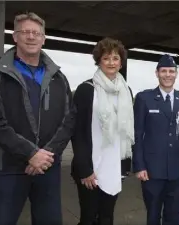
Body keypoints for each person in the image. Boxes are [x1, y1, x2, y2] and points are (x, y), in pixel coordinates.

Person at [0, 12, 75, 225]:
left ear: (43, 38)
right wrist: (30, 153)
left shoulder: (59, 78)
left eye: (36, 33)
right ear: (14, 37)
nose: (31, 37)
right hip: (8, 167)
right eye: (25, 32)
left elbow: (69, 120)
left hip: (48, 167)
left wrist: (45, 155)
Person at [70, 37, 134, 225]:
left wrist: (124, 166)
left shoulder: (126, 90)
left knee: (107, 217)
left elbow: (126, 132)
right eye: (106, 58)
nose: (111, 63)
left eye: (115, 58)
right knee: (89, 217)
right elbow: (77, 132)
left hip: (114, 165)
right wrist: (85, 169)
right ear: (99, 61)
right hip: (92, 166)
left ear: (121, 62)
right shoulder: (86, 89)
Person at [132, 54, 179, 225]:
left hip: (177, 169)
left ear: (176, 74)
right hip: (152, 170)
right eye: (164, 71)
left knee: (174, 216)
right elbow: (137, 134)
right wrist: (139, 165)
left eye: (171, 71)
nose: (168, 75)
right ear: (157, 73)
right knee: (153, 215)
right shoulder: (145, 98)